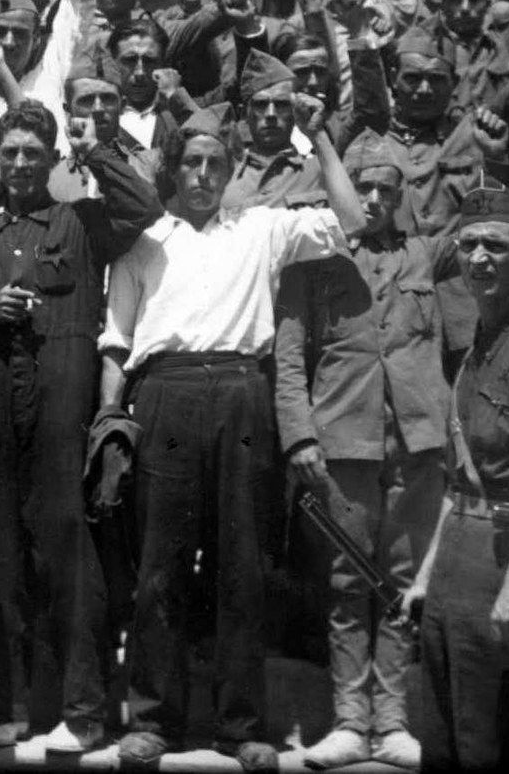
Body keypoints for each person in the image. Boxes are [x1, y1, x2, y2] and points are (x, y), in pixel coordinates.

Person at [97, 97, 365, 774]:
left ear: (231, 170)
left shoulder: (264, 228)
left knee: (241, 566)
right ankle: (154, 721)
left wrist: (325, 140)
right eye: (191, 162)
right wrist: (110, 416)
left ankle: (242, 726)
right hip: (163, 393)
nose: (203, 175)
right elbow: (117, 339)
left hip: (245, 394)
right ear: (172, 169)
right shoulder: (143, 238)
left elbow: (353, 221)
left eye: (216, 163)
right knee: (160, 565)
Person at [0, 100, 163, 752]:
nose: (18, 165)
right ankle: (3, 706)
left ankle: (84, 712)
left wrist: (94, 150)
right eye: (8, 153)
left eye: (31, 155)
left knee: (73, 564)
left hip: (63, 421)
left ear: (48, 161)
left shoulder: (84, 221)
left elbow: (144, 207)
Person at [273, 133, 449, 770]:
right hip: (343, 442)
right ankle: (350, 721)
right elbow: (289, 361)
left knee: (404, 583)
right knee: (349, 583)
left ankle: (394, 721)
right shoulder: (311, 264)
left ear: (403, 197)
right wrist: (299, 436)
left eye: (386, 191)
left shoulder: (427, 255)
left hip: (418, 443)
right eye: (363, 188)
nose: (373, 200)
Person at [400, 171, 509, 771]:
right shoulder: (476, 341)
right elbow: (458, 480)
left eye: (496, 245)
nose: (479, 258)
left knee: (492, 741)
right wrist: (425, 574)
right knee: (441, 738)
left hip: (508, 560)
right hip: (456, 564)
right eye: (468, 245)